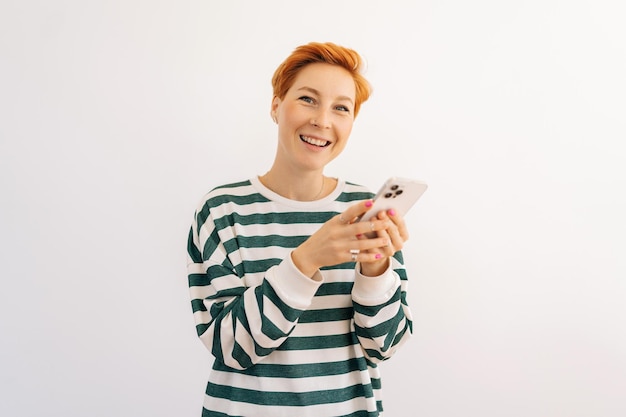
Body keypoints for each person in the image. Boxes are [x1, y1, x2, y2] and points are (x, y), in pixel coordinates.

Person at [187, 41, 413, 417]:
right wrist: (306, 259)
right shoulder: (221, 210)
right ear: (276, 106)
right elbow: (231, 347)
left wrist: (375, 271)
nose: (323, 120)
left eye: (341, 108)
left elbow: (384, 346)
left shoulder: (364, 210)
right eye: (308, 99)